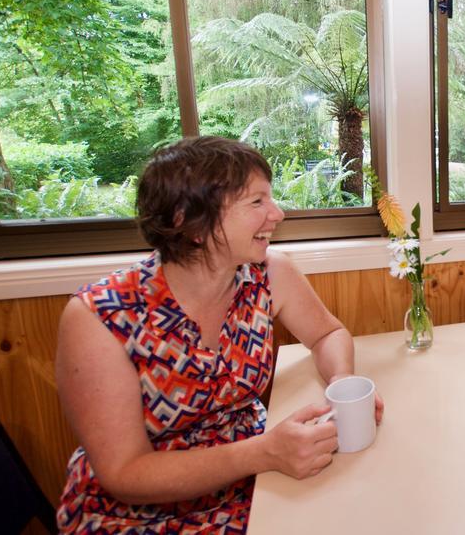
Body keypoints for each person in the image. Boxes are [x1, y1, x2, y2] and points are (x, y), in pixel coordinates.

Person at [55, 136, 383, 533]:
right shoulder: (99, 317)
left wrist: (341, 383)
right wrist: (263, 453)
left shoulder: (269, 273)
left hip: (257, 483)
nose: (277, 213)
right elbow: (125, 473)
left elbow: (327, 333)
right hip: (137, 515)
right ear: (187, 221)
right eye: (256, 202)